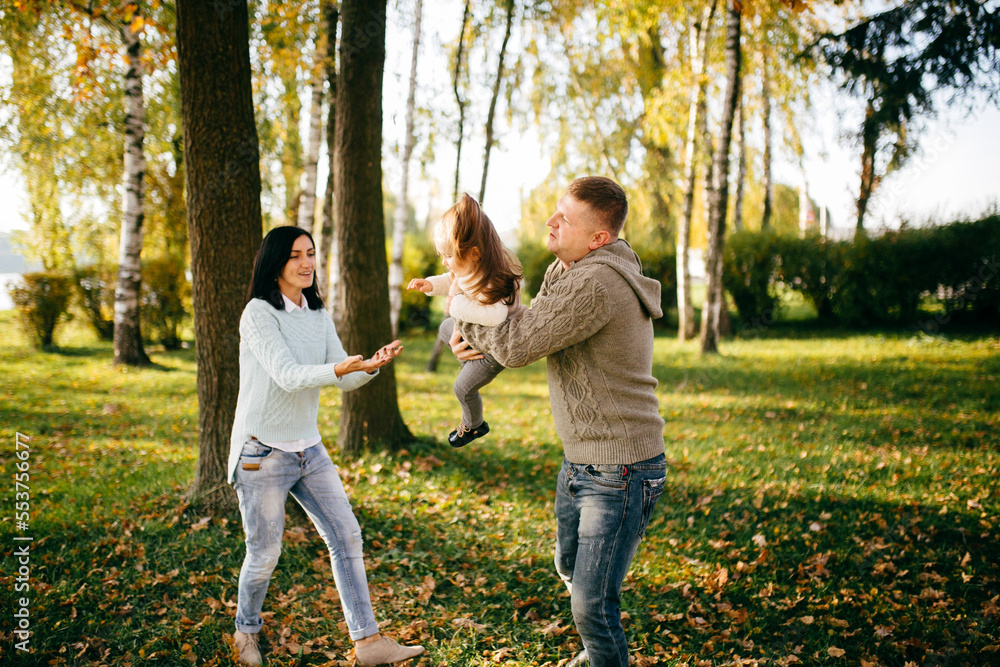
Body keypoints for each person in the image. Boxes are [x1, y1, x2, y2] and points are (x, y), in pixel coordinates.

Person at [450, 177, 666, 667]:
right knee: (569, 566)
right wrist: (473, 341)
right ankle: (597, 651)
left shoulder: (596, 281)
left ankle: (600, 652)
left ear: (599, 239)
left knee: (591, 605)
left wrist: (461, 319)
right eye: (556, 211)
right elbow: (527, 331)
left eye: (564, 218)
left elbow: (519, 345)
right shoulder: (566, 269)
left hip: (621, 469)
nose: (551, 221)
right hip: (581, 461)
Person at [228, 226, 425, 666]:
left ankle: (369, 643)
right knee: (264, 553)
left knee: (346, 535)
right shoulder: (258, 314)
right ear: (275, 262)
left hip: (308, 450)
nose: (305, 263)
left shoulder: (317, 314)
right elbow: (289, 375)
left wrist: (371, 366)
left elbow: (344, 375)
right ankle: (245, 633)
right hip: (261, 454)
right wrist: (339, 368)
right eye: (295, 255)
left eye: (311, 254)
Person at [407, 193, 523, 447]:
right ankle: (466, 361)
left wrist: (456, 305)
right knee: (444, 328)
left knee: (462, 389)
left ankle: (473, 425)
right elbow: (452, 279)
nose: (444, 262)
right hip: (476, 339)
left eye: (449, 255)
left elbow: (495, 316)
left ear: (474, 253)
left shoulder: (493, 279)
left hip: (494, 348)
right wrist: (429, 284)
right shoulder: (470, 267)